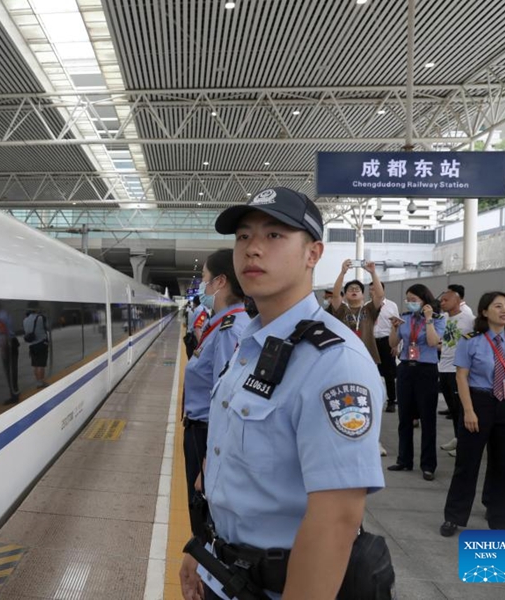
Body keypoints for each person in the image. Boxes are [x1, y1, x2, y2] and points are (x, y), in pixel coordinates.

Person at [180, 187, 387, 600]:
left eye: (274, 235)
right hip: (225, 574)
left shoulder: (333, 361)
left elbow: (336, 520)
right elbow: (223, 462)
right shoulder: (253, 344)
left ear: (313, 254)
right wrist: (202, 547)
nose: (252, 249)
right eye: (243, 236)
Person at [440, 292, 505, 537]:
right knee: (467, 464)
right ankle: (453, 517)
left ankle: (501, 525)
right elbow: (461, 376)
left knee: (504, 466)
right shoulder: (471, 340)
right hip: (478, 401)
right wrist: (468, 411)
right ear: (484, 312)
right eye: (498, 306)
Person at [181, 249, 250, 541]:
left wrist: (210, 460)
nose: (202, 286)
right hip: (202, 433)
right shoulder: (219, 325)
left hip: (207, 436)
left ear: (220, 282)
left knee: (204, 518)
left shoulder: (229, 331)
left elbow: (228, 400)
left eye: (205, 279)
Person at [387, 284, 445, 481]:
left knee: (427, 419)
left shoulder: (437, 319)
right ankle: (404, 459)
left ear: (424, 301)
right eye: (408, 299)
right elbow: (393, 344)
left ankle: (428, 465)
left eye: (414, 300)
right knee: (405, 417)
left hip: (426, 370)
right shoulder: (405, 318)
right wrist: (394, 328)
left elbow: (432, 343)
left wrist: (428, 320)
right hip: (405, 368)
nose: (410, 303)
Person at [437, 289, 474, 456]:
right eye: (441, 300)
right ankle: (457, 437)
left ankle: (464, 444)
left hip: (457, 369)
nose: (442, 303)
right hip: (443, 367)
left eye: (446, 300)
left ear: (458, 301)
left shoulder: (469, 319)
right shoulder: (443, 319)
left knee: (461, 408)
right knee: (452, 408)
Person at [329, 260, 385, 365]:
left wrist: (373, 273)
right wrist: (342, 273)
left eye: (357, 289)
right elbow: (335, 296)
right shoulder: (341, 309)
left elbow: (380, 295)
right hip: (346, 354)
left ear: (363, 295)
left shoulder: (369, 309)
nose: (354, 290)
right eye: (350, 289)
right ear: (344, 295)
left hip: (367, 354)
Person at [373, 288, 399, 413]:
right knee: (373, 372)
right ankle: (376, 400)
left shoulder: (391, 305)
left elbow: (396, 324)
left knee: (389, 373)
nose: (373, 291)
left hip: (387, 340)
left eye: (376, 288)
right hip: (372, 341)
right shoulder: (368, 306)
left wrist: (395, 345)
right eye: (371, 289)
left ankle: (391, 401)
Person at [0, 300, 20, 404]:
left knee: (9, 371)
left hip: (7, 345)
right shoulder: (6, 314)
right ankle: (16, 391)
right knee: (14, 370)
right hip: (14, 342)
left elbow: (2, 332)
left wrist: (3, 349)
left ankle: (14, 395)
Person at [22, 302, 49, 389]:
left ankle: (38, 382)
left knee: (36, 365)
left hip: (32, 346)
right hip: (41, 344)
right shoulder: (40, 318)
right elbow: (47, 327)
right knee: (41, 365)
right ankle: (42, 382)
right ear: (36, 308)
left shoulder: (25, 320)